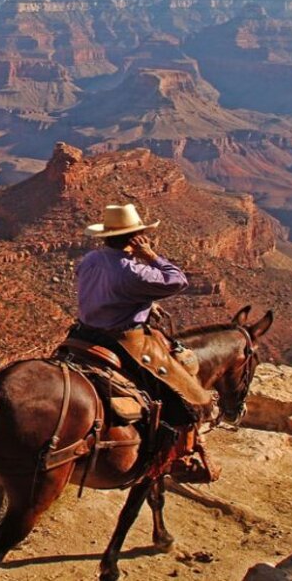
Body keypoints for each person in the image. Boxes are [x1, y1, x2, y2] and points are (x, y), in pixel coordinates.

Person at [72, 204, 218, 480]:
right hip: (126, 340)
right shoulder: (134, 272)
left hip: (83, 334)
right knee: (190, 400)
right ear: (135, 237)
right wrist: (151, 256)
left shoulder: (90, 259)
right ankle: (180, 460)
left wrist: (142, 302)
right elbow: (178, 282)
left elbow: (105, 290)